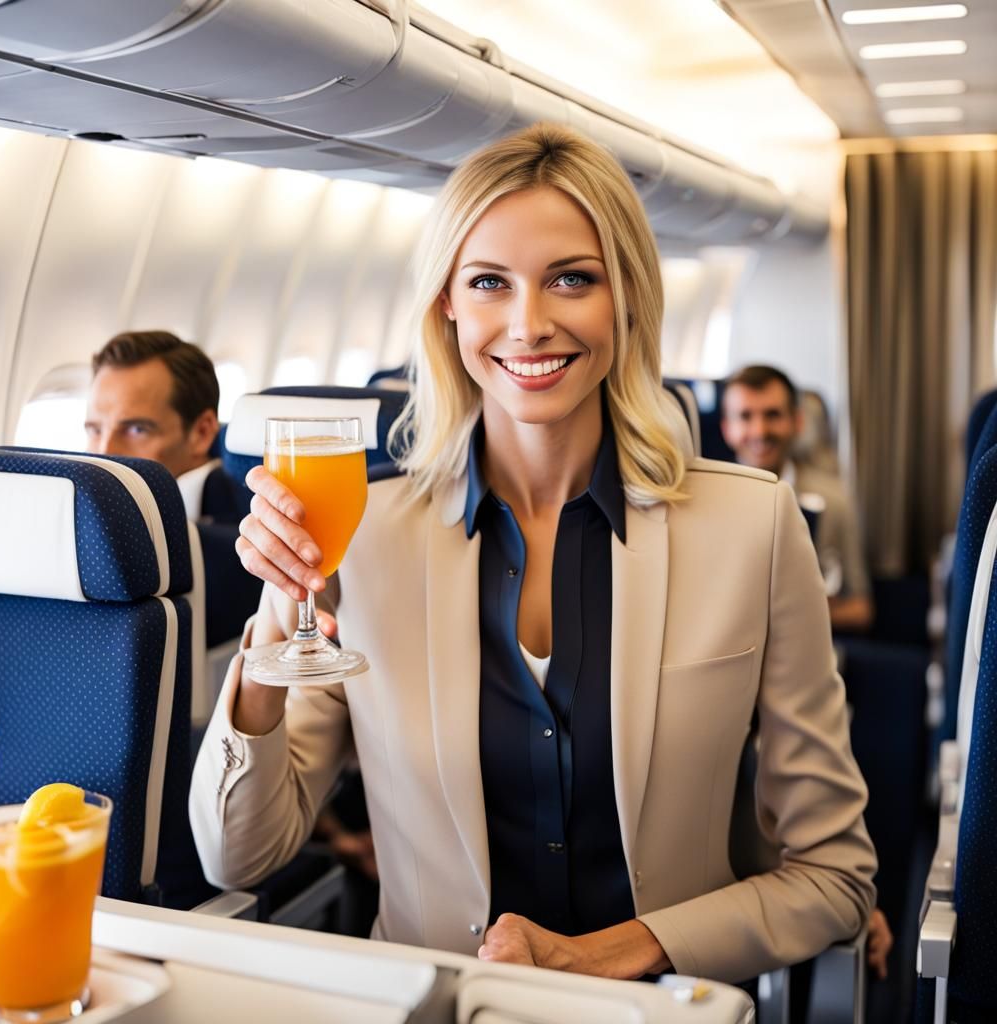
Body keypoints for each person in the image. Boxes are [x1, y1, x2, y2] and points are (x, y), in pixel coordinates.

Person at [190, 123, 876, 984]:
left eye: (571, 280)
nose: (529, 324)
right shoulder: (368, 536)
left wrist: (607, 956)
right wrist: (274, 618)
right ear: (448, 304)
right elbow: (239, 856)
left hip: (656, 1008)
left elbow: (834, 876)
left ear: (626, 296)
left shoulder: (752, 527)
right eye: (488, 282)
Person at [85, 330, 260, 646]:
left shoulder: (248, 545)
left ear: (202, 432)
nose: (104, 452)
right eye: (95, 430)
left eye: (136, 429)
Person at [720, 365, 874, 633]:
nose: (759, 431)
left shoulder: (834, 501)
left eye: (773, 415)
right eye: (745, 416)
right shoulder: (708, 503)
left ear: (797, 422)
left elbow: (860, 609)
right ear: (726, 428)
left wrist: (785, 611)